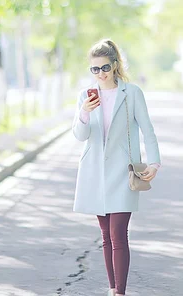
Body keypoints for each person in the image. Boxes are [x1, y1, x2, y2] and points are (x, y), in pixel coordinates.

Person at [72, 39, 161, 296]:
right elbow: (80, 135)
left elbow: (148, 130)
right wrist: (84, 113)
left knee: (118, 233)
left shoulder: (132, 93)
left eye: (104, 67)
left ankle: (119, 292)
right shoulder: (85, 96)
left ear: (115, 65)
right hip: (95, 172)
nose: (100, 73)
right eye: (95, 69)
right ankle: (112, 289)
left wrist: (154, 162)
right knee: (105, 237)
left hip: (123, 173)